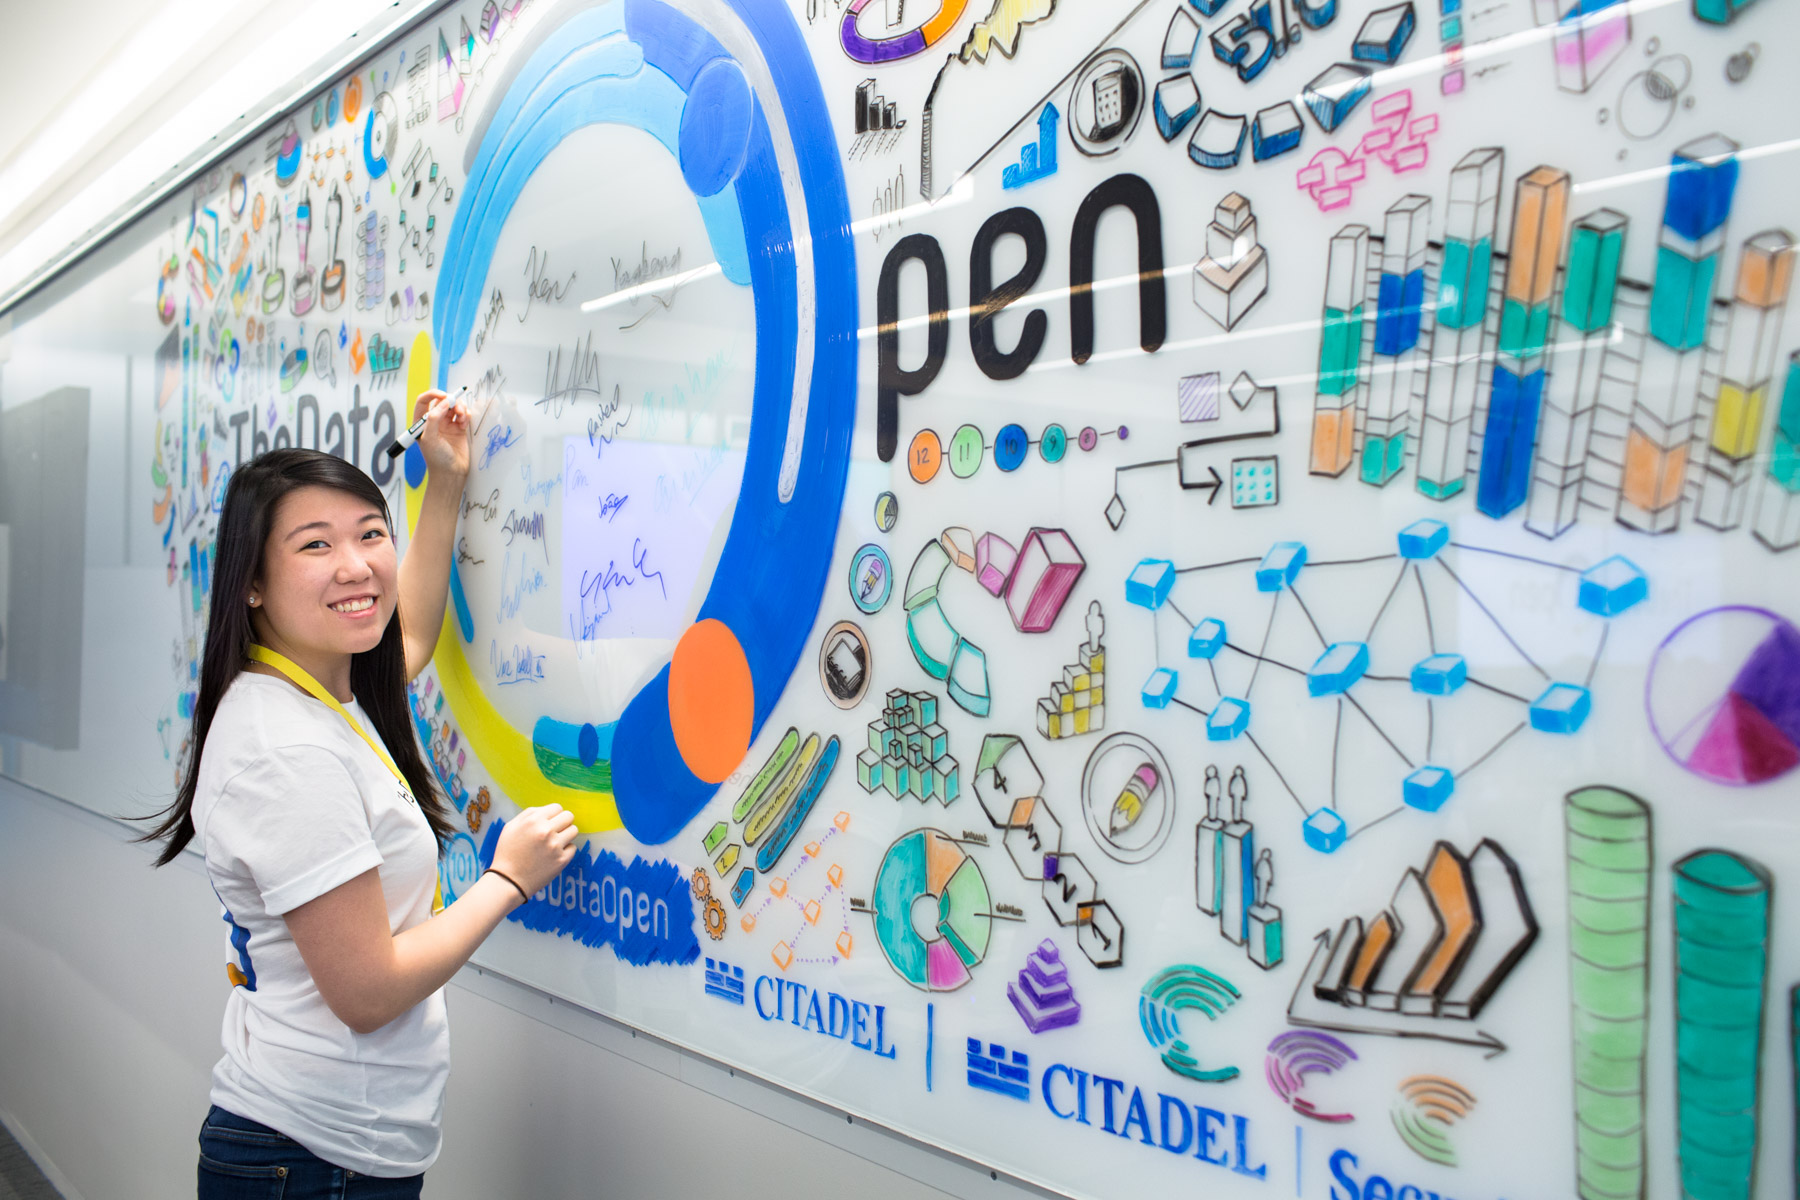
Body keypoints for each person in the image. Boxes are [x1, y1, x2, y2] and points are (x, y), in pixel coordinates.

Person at [143, 390, 578, 1198]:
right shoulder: (287, 750)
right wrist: (507, 880)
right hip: (311, 1159)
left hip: (325, 1146)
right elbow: (369, 993)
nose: (356, 565)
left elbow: (406, 633)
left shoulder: (315, 691)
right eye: (315, 544)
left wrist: (445, 481)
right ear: (252, 584)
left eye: (371, 534)